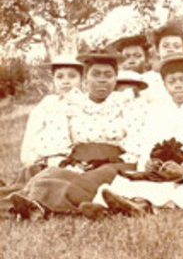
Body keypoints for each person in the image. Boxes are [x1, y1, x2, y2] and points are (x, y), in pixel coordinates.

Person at [96, 53, 183, 215]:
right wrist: (149, 163)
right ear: (164, 84)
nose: (178, 86)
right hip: (161, 170)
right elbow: (148, 146)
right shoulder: (155, 111)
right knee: (125, 181)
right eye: (172, 81)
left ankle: (143, 205)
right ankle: (114, 206)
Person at [4, 53, 145, 219]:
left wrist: (111, 162)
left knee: (87, 178)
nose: (102, 80)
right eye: (95, 74)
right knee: (51, 173)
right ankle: (30, 204)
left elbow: (136, 143)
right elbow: (58, 141)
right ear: (85, 80)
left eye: (108, 75)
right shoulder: (71, 105)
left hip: (115, 163)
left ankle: (38, 206)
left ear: (115, 79)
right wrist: (68, 162)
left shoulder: (128, 105)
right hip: (77, 160)